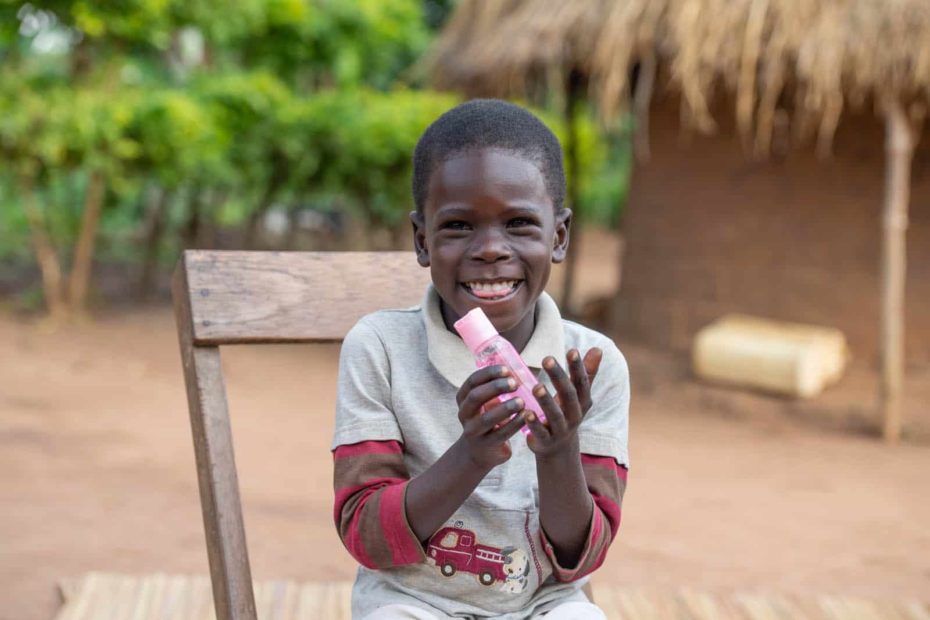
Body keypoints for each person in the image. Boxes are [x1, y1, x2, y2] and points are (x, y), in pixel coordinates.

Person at [332, 99, 630, 619]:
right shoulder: (378, 348)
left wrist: (558, 451)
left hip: (542, 602)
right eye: (458, 227)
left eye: (518, 224)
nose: (491, 249)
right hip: (412, 599)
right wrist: (472, 454)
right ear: (422, 240)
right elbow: (366, 537)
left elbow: (581, 558)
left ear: (558, 236)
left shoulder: (591, 365)